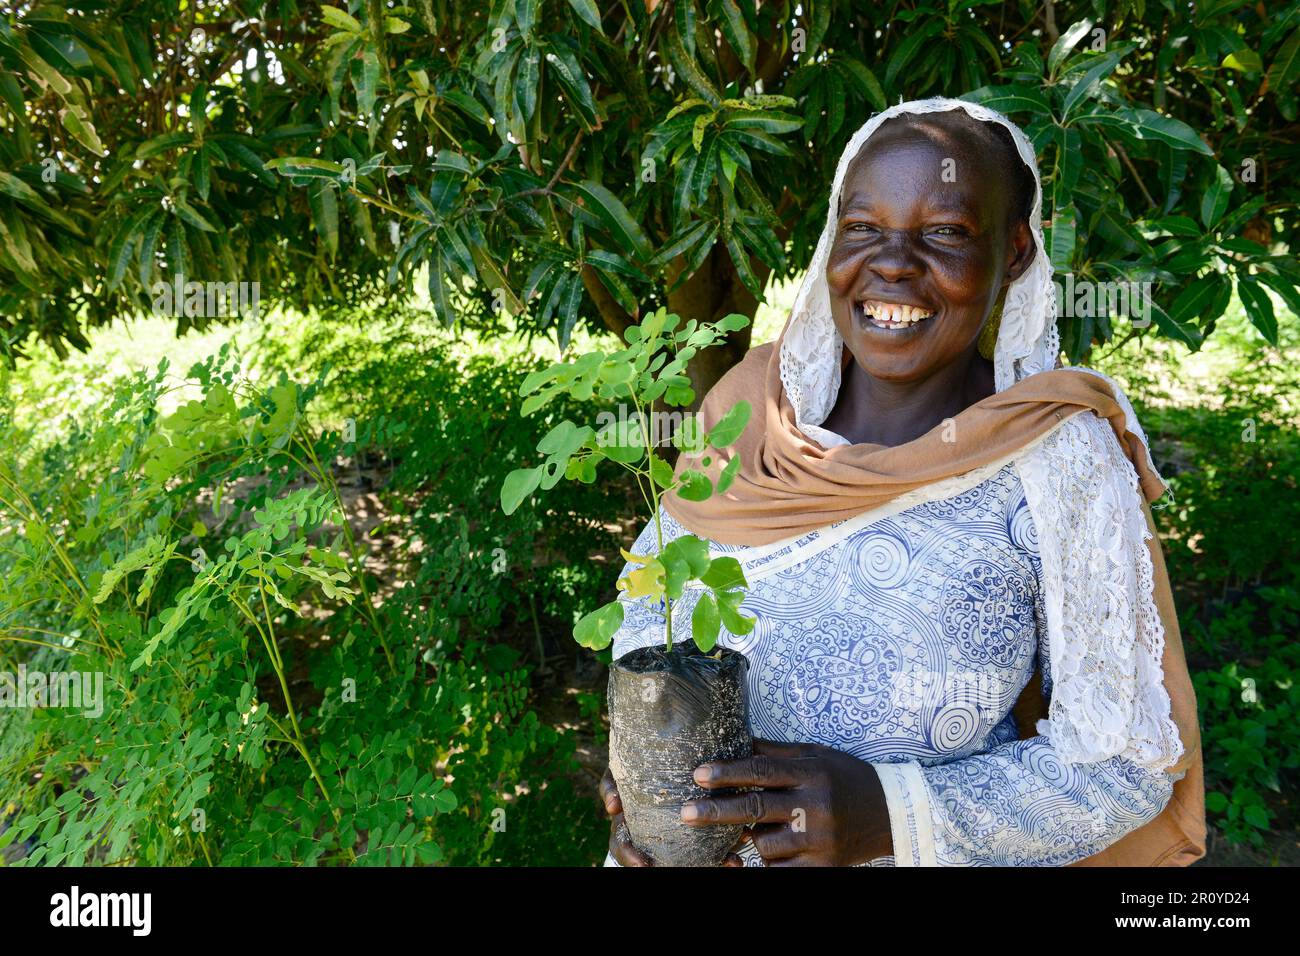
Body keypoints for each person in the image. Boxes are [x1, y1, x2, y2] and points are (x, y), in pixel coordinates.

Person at [601, 97, 1205, 867]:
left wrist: (887, 817)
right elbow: (649, 618)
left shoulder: (1057, 460)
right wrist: (638, 778)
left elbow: (1124, 765)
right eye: (863, 227)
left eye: (945, 233)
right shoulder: (748, 414)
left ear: (1015, 251)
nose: (891, 262)